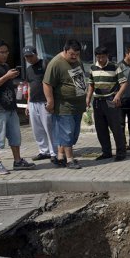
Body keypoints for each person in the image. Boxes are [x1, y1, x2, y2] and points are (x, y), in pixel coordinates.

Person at [0, 40, 35, 175]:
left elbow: (5, 83)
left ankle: (17, 160)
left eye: (7, 52)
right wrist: (6, 77)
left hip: (10, 107)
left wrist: (16, 83)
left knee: (15, 136)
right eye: (2, 52)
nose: (5, 55)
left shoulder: (5, 66)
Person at [43, 39, 87, 170]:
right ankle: (70, 160)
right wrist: (50, 102)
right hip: (64, 105)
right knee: (67, 132)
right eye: (72, 54)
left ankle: (60, 157)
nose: (74, 57)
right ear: (65, 50)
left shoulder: (77, 61)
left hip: (78, 104)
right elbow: (47, 84)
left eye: (77, 54)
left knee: (73, 133)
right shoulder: (56, 63)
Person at [86, 46, 128, 161]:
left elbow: (124, 83)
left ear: (107, 56)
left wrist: (118, 95)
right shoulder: (93, 68)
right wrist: (88, 98)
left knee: (116, 128)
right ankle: (106, 152)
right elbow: (91, 84)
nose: (100, 59)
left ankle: (121, 152)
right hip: (98, 101)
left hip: (111, 100)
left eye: (103, 57)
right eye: (98, 57)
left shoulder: (115, 67)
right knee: (101, 129)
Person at [23, 46, 56, 163]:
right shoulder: (29, 69)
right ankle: (44, 151)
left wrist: (51, 100)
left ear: (36, 54)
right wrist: (28, 103)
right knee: (37, 129)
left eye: (31, 56)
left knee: (49, 127)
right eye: (26, 57)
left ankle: (54, 152)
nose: (29, 59)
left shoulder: (45, 64)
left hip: (44, 101)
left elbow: (51, 82)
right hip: (33, 102)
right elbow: (30, 86)